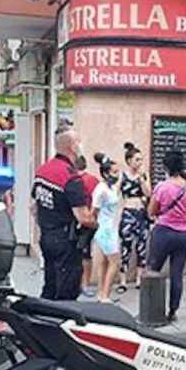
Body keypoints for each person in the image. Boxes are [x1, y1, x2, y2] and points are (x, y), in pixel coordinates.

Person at [32, 129, 95, 300]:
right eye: (79, 142)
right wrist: (95, 223)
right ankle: (58, 323)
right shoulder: (70, 177)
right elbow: (83, 218)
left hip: (46, 237)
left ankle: (41, 321)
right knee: (67, 290)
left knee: (50, 285)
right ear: (73, 147)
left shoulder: (42, 171)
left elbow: (35, 208)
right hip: (66, 241)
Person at [148, 151, 186, 322]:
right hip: (184, 235)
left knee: (153, 271)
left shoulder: (162, 187)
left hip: (163, 232)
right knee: (177, 274)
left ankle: (150, 309)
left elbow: (151, 211)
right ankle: (173, 311)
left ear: (166, 167)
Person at [118, 145, 152, 293]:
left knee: (142, 247)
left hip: (141, 213)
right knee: (125, 246)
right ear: (129, 160)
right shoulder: (122, 175)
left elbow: (148, 193)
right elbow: (116, 192)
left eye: (141, 159)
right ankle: (123, 280)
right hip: (127, 212)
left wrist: (142, 179)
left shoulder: (143, 175)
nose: (139, 162)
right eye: (137, 159)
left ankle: (139, 279)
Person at [91, 153, 122, 303]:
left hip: (111, 227)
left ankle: (101, 293)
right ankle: (105, 295)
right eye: (114, 172)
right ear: (105, 173)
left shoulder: (111, 188)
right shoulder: (101, 189)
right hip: (105, 229)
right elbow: (94, 211)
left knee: (104, 261)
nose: (117, 175)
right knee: (114, 262)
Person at [75, 155, 101, 298]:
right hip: (89, 221)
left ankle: (80, 283)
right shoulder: (93, 180)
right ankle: (84, 284)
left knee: (79, 253)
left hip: (78, 220)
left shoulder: (74, 180)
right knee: (86, 253)